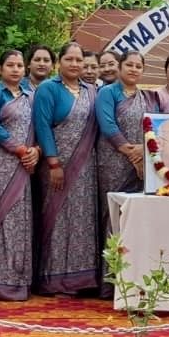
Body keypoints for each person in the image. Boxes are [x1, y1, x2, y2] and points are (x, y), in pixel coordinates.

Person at [32, 42, 100, 295]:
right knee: (57, 219)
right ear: (59, 62)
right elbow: (42, 125)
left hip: (85, 168)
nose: (74, 64)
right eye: (69, 59)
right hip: (56, 166)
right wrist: (53, 162)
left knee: (83, 220)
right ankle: (54, 279)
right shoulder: (48, 89)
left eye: (78, 60)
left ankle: (81, 280)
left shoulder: (91, 91)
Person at [0, 50, 40, 301]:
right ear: (0, 69)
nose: (15, 69)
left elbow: (38, 126)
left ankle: (18, 281)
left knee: (20, 220)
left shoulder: (31, 94)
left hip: (24, 165)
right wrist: (20, 148)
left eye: (19, 65)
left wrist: (36, 150)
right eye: (10, 65)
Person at [94, 49, 146, 295]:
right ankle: (109, 283)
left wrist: (142, 152)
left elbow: (151, 126)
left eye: (138, 66)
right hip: (113, 161)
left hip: (140, 165)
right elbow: (107, 124)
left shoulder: (146, 97)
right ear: (121, 67)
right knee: (111, 217)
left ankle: (131, 279)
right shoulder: (107, 92)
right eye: (130, 65)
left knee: (134, 218)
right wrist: (130, 152)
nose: (134, 69)